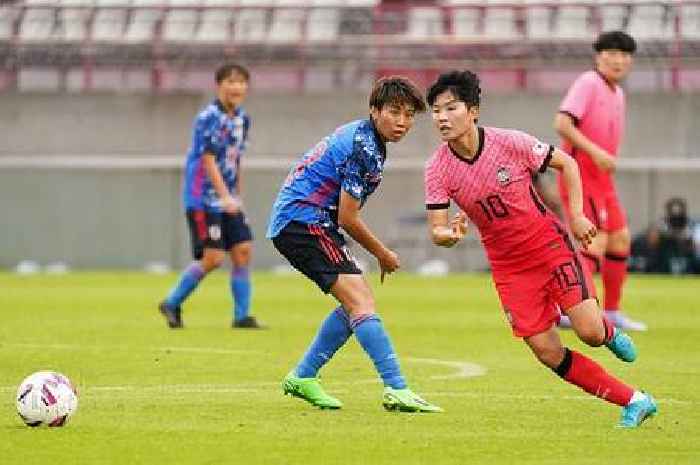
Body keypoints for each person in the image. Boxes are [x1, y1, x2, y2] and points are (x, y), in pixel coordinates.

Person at [424, 70, 657, 428]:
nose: (441, 117)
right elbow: (437, 230)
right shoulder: (437, 168)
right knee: (547, 352)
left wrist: (576, 216)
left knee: (590, 332)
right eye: (436, 111)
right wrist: (448, 235)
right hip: (509, 268)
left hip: (550, 248)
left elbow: (568, 162)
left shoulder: (509, 143)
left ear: (473, 110)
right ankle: (635, 400)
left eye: (450, 108)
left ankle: (608, 332)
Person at [267, 76, 441, 413]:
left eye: (409, 115)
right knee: (361, 302)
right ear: (374, 111)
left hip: (304, 221)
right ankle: (396, 388)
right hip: (304, 223)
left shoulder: (366, 137)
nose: (402, 122)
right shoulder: (365, 147)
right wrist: (383, 254)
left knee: (356, 303)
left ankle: (304, 376)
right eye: (394, 112)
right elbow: (348, 217)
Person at [554, 31, 647, 331]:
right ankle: (571, 311)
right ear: (599, 56)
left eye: (624, 55)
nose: (618, 60)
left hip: (603, 178)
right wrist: (596, 153)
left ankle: (612, 311)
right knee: (594, 243)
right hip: (581, 174)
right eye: (611, 53)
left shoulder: (617, 92)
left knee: (620, 239)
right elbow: (562, 123)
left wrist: (605, 159)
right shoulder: (588, 83)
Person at [159, 63, 263, 329]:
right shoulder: (208, 117)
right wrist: (224, 196)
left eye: (241, 82)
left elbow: (236, 158)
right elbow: (208, 160)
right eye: (231, 81)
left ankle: (241, 316)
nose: (236, 87)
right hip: (203, 199)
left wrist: (237, 197)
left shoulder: (243, 119)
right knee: (213, 258)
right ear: (219, 86)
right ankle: (172, 301)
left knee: (243, 250)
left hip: (227, 198)